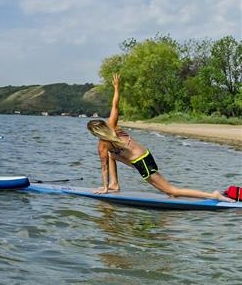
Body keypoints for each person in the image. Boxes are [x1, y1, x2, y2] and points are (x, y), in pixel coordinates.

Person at [86, 73, 231, 201]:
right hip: (145, 154)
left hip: (141, 163)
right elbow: (115, 106)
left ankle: (213, 195)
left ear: (95, 133)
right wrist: (117, 88)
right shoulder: (112, 125)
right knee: (113, 154)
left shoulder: (102, 145)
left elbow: (104, 168)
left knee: (172, 191)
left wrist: (104, 188)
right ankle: (115, 184)